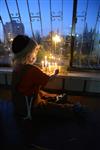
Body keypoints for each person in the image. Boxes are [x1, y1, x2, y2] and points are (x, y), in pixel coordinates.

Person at [11, 35, 86, 121]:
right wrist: (55, 73)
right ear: (28, 54)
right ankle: (74, 109)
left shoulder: (16, 68)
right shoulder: (32, 69)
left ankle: (56, 98)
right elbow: (49, 79)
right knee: (52, 109)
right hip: (30, 107)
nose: (35, 54)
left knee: (42, 93)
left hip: (18, 104)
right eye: (34, 52)